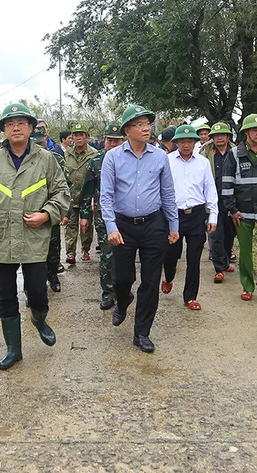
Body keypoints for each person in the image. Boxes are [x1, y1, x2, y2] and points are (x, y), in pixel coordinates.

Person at [0, 103, 70, 371]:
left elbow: (62, 193)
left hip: (34, 239)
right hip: (2, 238)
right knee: (6, 297)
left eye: (21, 123)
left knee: (38, 292)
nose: (16, 127)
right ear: (2, 130)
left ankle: (39, 319)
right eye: (10, 123)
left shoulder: (47, 159)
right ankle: (13, 349)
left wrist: (47, 214)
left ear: (30, 128)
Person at [101, 104, 179, 353]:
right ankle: (123, 302)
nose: (146, 128)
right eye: (139, 124)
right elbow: (106, 196)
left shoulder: (159, 157)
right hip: (123, 225)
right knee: (122, 278)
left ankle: (142, 332)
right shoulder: (112, 157)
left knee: (151, 280)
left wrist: (173, 224)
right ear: (127, 130)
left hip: (153, 225)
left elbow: (168, 193)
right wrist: (111, 227)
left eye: (147, 124)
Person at [223, 114, 257, 302]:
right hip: (242, 210)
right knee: (245, 250)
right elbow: (227, 184)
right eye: (255, 130)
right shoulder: (234, 154)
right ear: (246, 132)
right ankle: (247, 286)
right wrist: (232, 209)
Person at [163, 125, 218, 310]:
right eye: (182, 141)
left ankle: (190, 296)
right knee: (171, 254)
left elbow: (210, 188)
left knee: (194, 258)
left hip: (196, 215)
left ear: (195, 142)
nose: (186, 145)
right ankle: (169, 277)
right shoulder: (167, 160)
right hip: (173, 215)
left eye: (189, 141)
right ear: (176, 142)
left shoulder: (202, 163)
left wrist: (213, 216)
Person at [80, 122, 126, 310]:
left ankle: (123, 291)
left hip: (126, 216)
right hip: (104, 217)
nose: (113, 144)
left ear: (123, 141)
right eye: (110, 140)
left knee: (125, 258)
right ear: (104, 141)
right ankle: (108, 293)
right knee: (107, 256)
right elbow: (87, 191)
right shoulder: (96, 162)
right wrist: (84, 216)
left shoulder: (130, 160)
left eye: (117, 141)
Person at [32, 126, 71, 293]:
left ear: (46, 140)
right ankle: (32, 287)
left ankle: (53, 277)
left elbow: (66, 186)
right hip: (31, 211)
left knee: (53, 247)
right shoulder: (24, 161)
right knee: (32, 253)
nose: (38, 146)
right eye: (34, 143)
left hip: (51, 209)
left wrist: (64, 212)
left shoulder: (55, 158)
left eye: (40, 142)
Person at [202, 122, 237, 282]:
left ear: (228, 136)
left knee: (230, 233)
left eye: (222, 135)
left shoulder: (235, 152)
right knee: (215, 234)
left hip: (231, 200)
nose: (220, 137)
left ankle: (225, 260)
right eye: (216, 135)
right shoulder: (206, 153)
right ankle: (218, 268)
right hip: (212, 200)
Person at [63, 122, 100, 265]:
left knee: (86, 225)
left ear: (87, 137)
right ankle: (70, 252)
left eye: (81, 135)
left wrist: (93, 197)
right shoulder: (67, 153)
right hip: (71, 196)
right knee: (71, 225)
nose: (78, 138)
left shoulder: (94, 154)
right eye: (75, 135)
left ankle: (85, 249)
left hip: (87, 196)